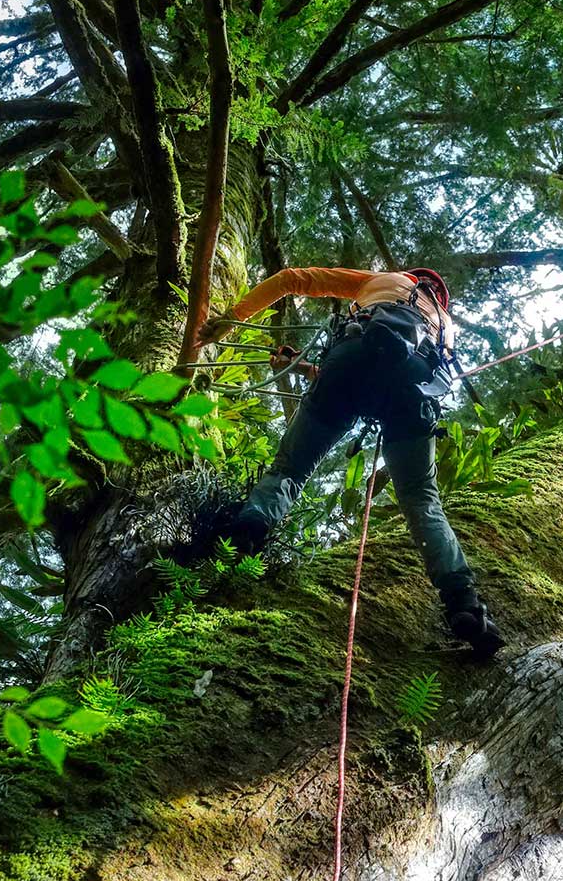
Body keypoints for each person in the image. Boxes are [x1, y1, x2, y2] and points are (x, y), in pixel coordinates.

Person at [215, 265, 503, 658]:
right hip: (416, 386)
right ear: (440, 296)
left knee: (291, 469)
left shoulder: (382, 281)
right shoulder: (445, 325)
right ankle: (464, 602)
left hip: (352, 359)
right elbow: (397, 368)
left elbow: (292, 279)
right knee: (421, 498)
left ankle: (242, 538)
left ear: (410, 276)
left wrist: (230, 319)